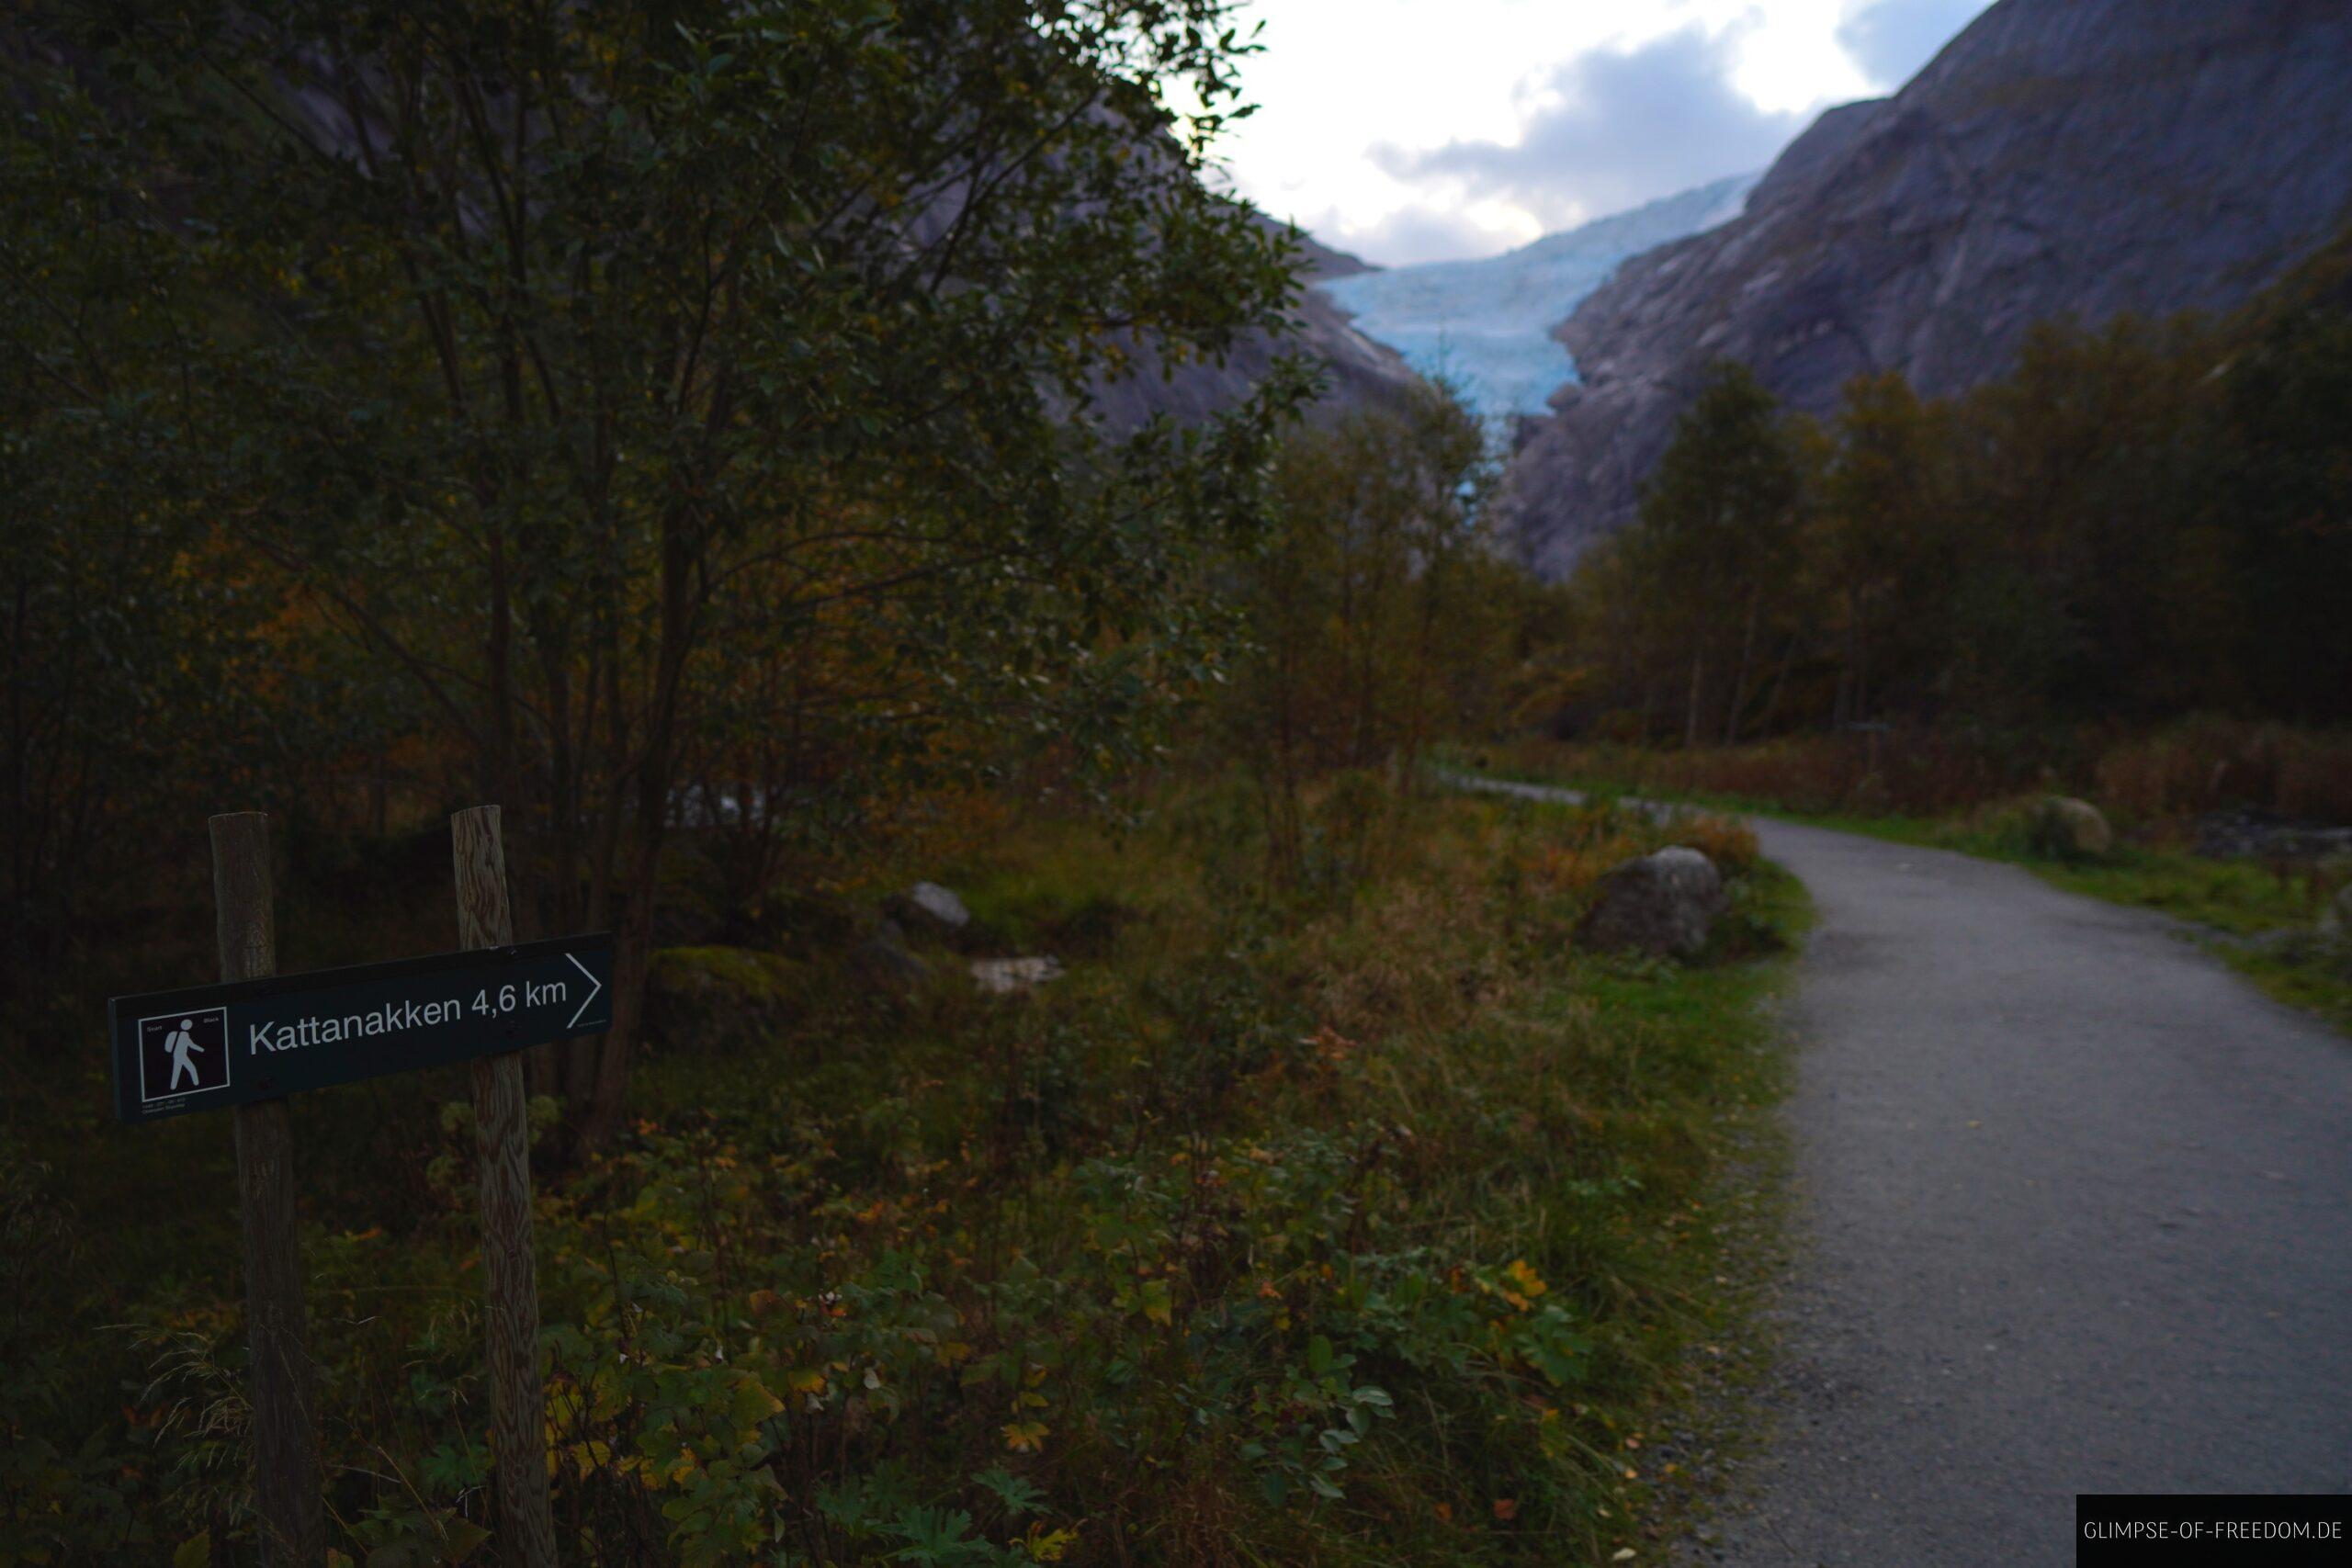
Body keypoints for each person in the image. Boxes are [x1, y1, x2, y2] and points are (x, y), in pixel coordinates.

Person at [165, 1018, 203, 1089]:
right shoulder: (185, 1034)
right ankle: (196, 1084)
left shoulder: (173, 1033)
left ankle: (173, 1087)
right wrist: (202, 1050)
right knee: (190, 1069)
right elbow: (192, 1045)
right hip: (181, 1056)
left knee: (178, 1071)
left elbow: (167, 1047)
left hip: (178, 1056)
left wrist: (202, 1050)